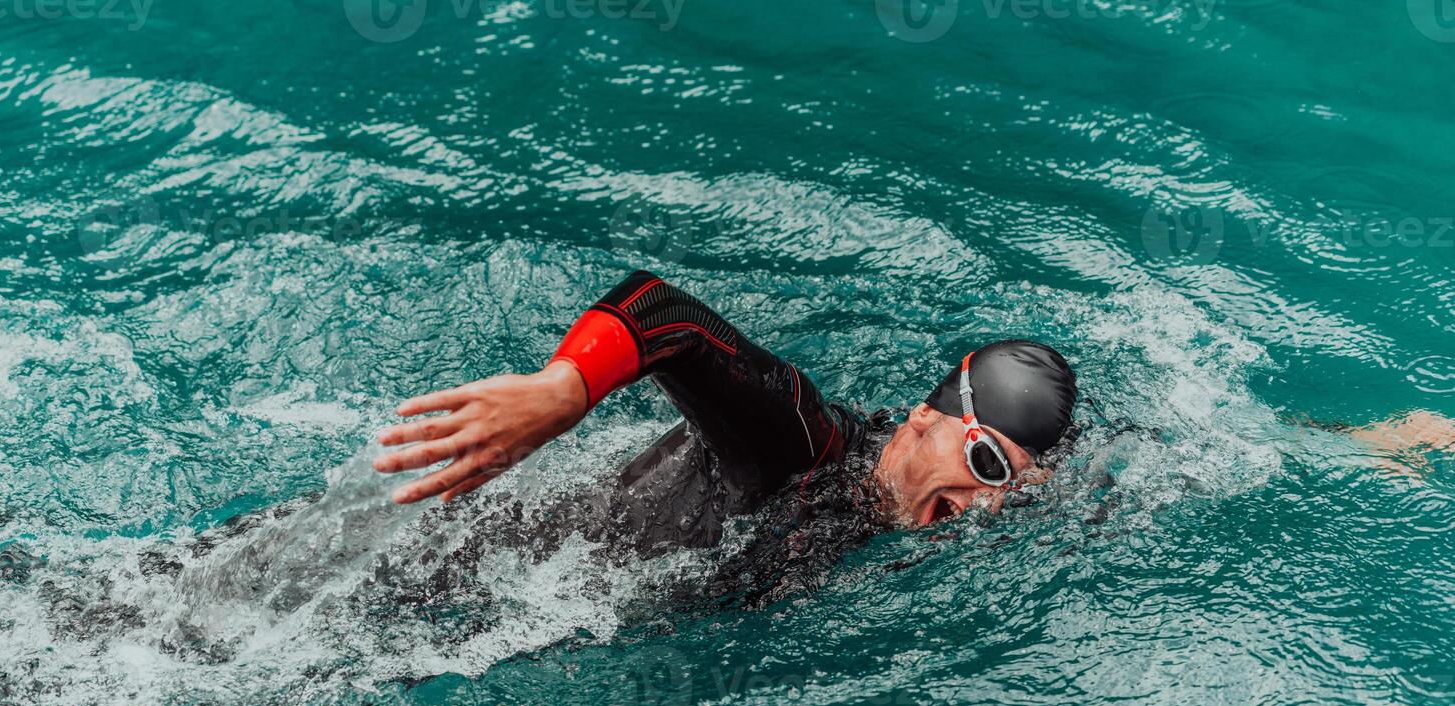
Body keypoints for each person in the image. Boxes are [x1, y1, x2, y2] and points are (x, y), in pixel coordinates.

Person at [372, 271, 1080, 557]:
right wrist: (561, 392)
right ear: (925, 420)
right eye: (985, 463)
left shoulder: (896, 519)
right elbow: (669, 317)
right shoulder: (805, 442)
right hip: (441, 574)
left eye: (1007, 492)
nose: (981, 506)